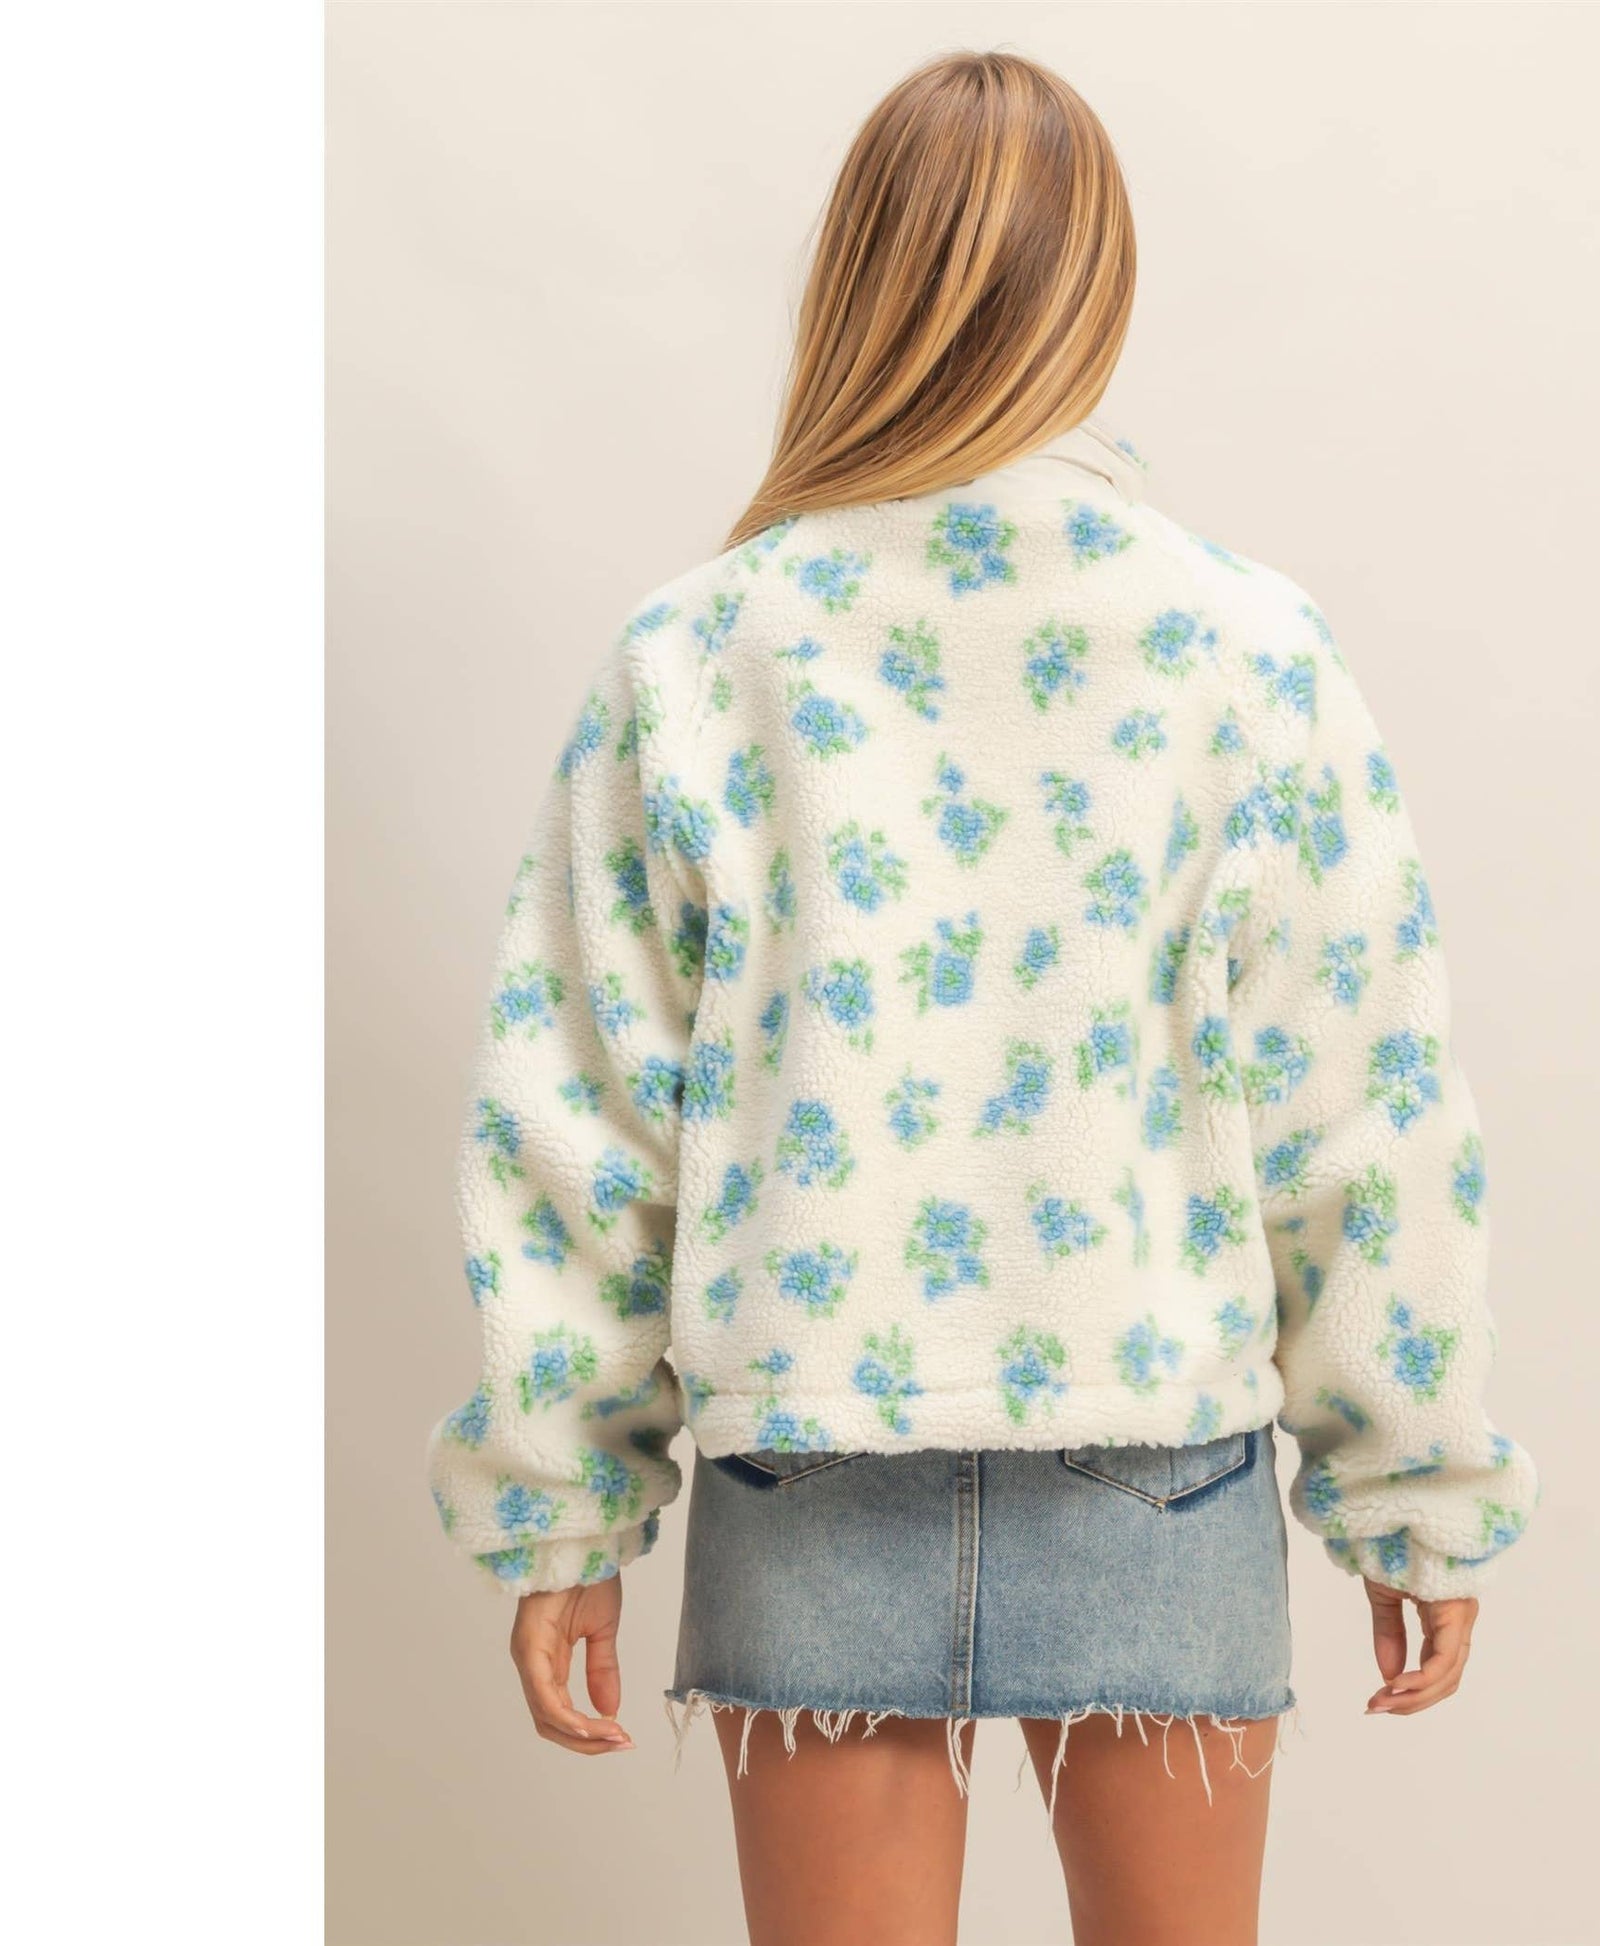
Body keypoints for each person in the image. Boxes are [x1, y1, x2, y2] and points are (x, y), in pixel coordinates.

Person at [426, 47, 1538, 1946]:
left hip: (807, 1445)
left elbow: (583, 1109)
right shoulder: (1244, 648)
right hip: (1154, 1451)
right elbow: (1359, 1101)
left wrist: (559, 1509)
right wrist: (1411, 1482)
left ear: (852, 278)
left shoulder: (702, 649)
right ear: (1099, 289)